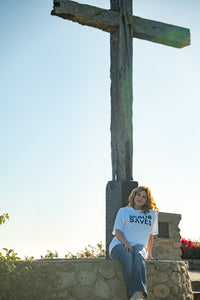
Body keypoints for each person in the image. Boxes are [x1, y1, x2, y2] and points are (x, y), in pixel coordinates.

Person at [109, 186, 159, 300]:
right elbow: (117, 231)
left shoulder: (152, 214)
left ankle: (138, 294)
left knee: (138, 254)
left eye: (144, 197)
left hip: (139, 246)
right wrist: (126, 243)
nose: (140, 198)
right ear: (134, 195)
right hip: (119, 245)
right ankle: (132, 295)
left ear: (147, 200)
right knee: (127, 256)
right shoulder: (123, 211)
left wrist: (149, 254)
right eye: (138, 195)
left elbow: (150, 235)